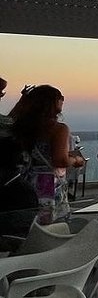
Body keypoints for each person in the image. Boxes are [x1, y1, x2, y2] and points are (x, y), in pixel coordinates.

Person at [10, 85, 85, 224]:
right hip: (48, 185)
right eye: (60, 97)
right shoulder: (58, 129)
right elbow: (60, 160)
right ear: (53, 102)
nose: (63, 100)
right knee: (50, 225)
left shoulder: (21, 126)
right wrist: (76, 160)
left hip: (24, 180)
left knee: (28, 223)